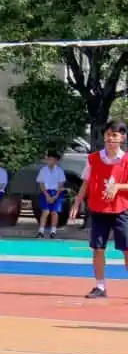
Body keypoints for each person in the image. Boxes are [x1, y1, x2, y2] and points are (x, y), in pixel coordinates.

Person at [69, 120, 128, 299]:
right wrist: (77, 201)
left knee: (126, 249)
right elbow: (86, 182)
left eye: (115, 135)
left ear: (122, 138)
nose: (110, 139)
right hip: (99, 210)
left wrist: (118, 187)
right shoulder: (94, 158)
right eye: (108, 135)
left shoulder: (126, 160)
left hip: (121, 210)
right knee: (98, 248)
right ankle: (100, 286)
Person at [36, 151, 67, 239]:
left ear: (56, 161)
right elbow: (41, 184)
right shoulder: (43, 170)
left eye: (53, 160)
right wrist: (46, 195)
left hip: (56, 192)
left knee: (54, 212)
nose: (51, 161)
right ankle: (41, 231)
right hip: (46, 192)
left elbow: (61, 184)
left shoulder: (59, 171)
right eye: (49, 159)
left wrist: (56, 196)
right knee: (45, 211)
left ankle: (53, 231)